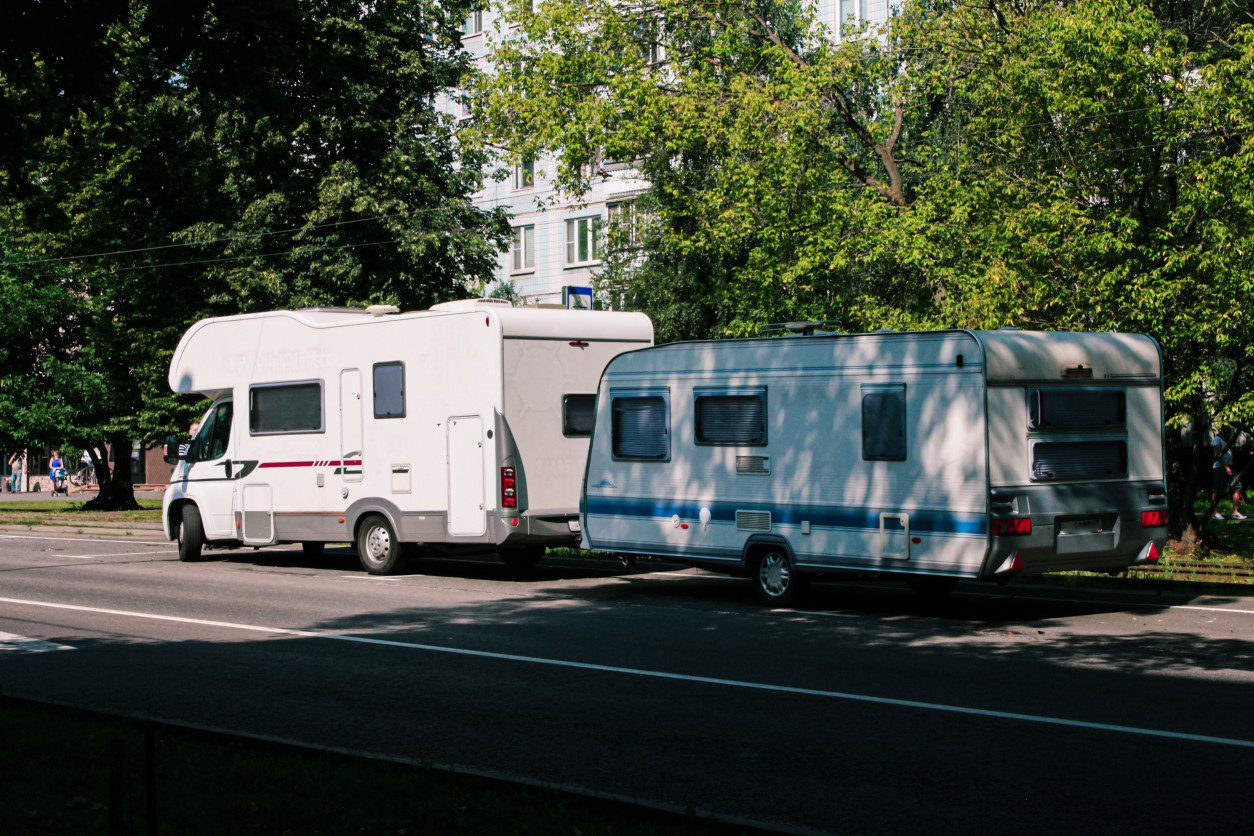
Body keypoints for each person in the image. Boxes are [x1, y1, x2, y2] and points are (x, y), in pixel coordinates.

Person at [1212, 432, 1246, 521]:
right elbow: (1218, 455)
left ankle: (1235, 512)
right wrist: (1225, 467)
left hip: (1229, 466)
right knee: (1217, 489)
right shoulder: (1217, 439)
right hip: (1220, 467)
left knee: (1238, 486)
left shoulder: (1226, 439)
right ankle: (1214, 512)